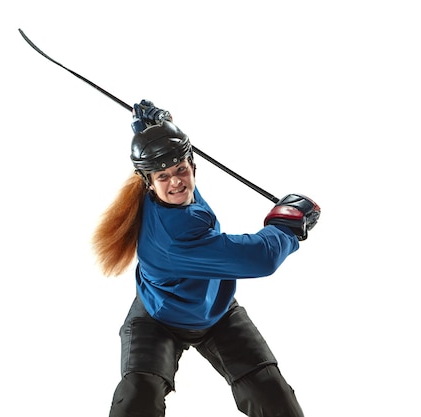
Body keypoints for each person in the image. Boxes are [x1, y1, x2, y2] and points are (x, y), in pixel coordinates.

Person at [92, 100, 320, 417]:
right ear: (148, 182)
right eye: (164, 177)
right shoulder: (173, 240)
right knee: (137, 398)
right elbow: (258, 258)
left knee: (273, 396)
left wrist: (155, 126)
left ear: (193, 165)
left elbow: (163, 156)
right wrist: (286, 225)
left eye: (181, 170)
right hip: (159, 318)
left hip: (216, 309)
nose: (176, 183)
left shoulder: (166, 188)